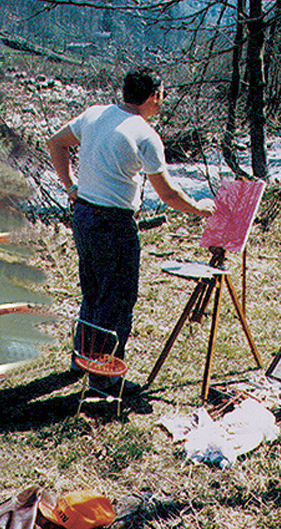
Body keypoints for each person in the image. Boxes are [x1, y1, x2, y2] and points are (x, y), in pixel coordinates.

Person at [47, 68, 215, 391]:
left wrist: (71, 186)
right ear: (153, 96)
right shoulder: (145, 135)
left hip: (83, 215)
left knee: (94, 290)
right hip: (114, 224)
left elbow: (56, 143)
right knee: (117, 298)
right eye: (161, 97)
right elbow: (167, 194)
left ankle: (82, 358)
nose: (161, 103)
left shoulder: (95, 115)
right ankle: (103, 378)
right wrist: (198, 208)